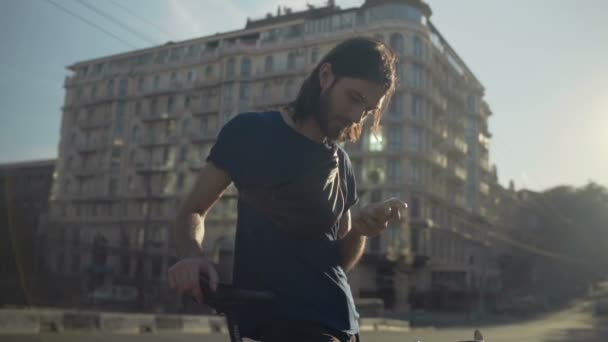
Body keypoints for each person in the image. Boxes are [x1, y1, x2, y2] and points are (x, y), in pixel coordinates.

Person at [168, 37, 408, 342]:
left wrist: (361, 230)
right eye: (353, 97)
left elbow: (338, 261)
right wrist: (192, 254)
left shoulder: (343, 164)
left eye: (366, 109)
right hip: (278, 322)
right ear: (325, 76)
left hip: (344, 323)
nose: (355, 116)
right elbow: (192, 210)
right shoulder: (251, 131)